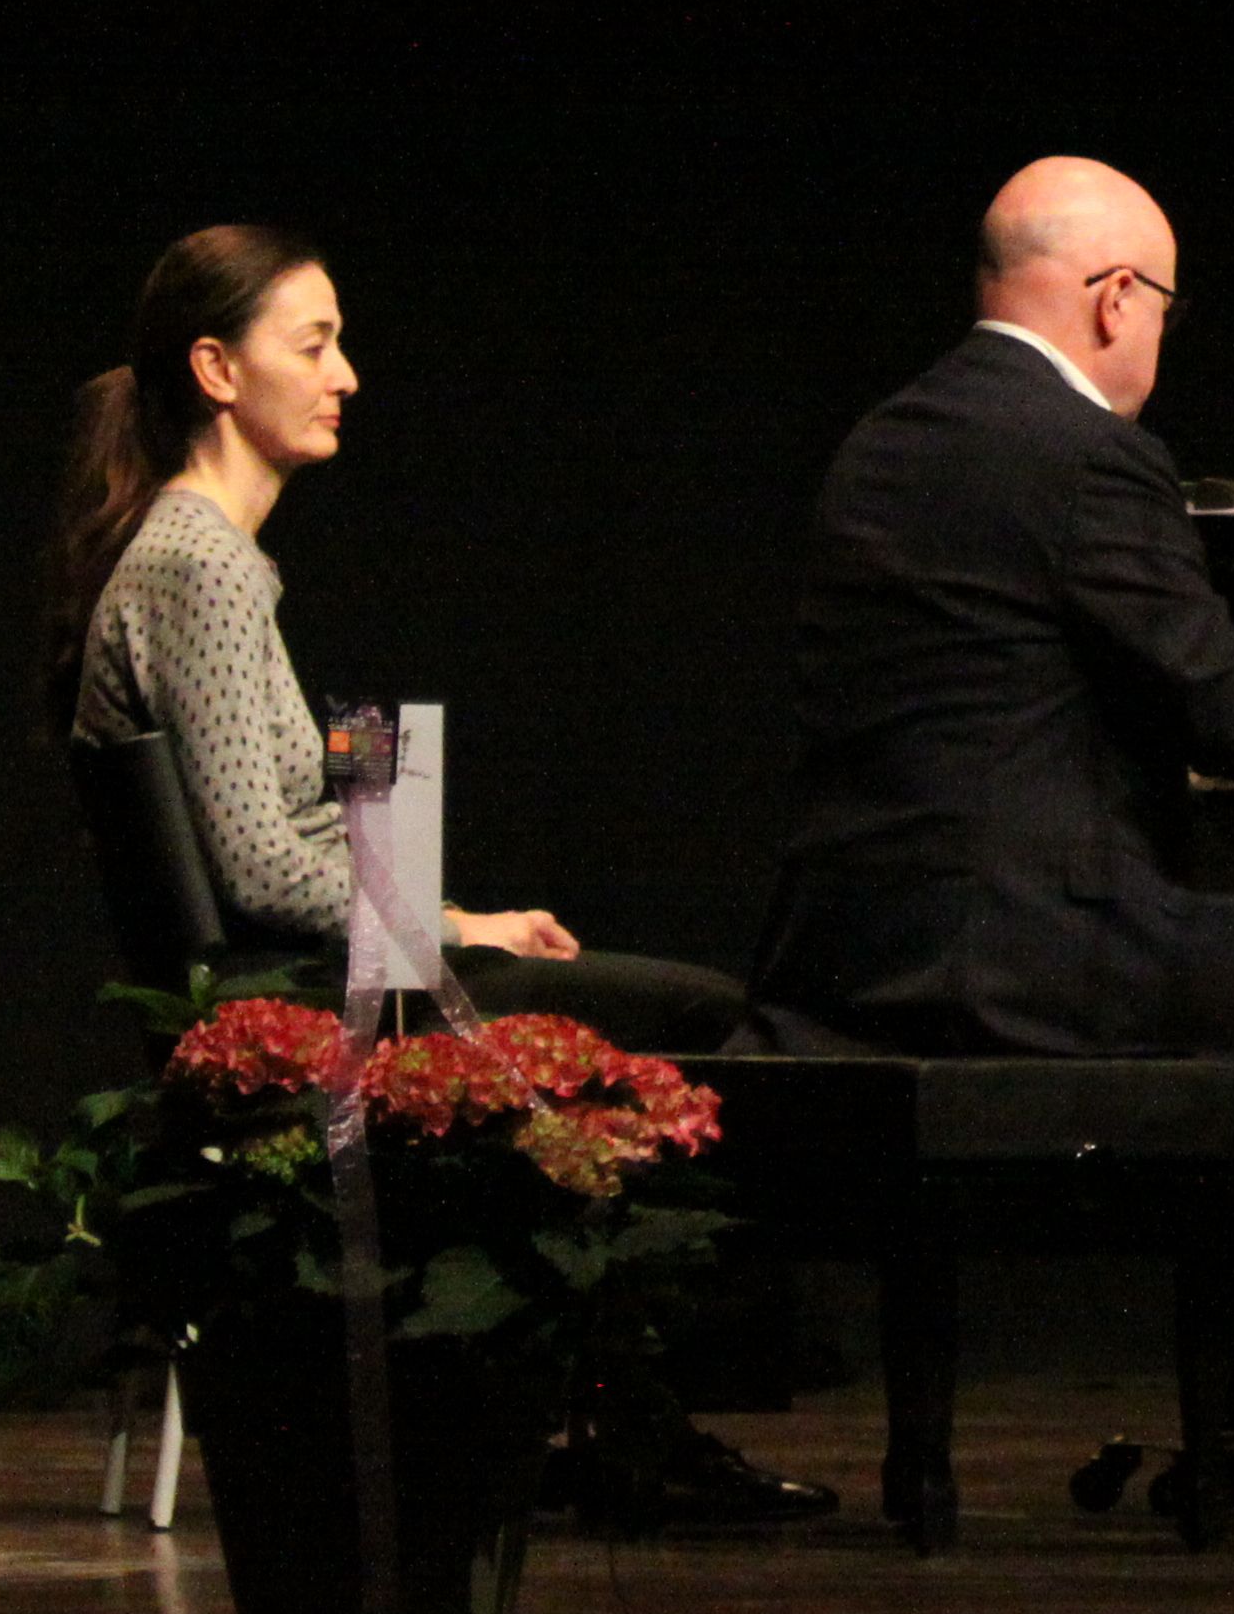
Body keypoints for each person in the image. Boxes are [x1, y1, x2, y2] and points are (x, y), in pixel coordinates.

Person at [747, 157, 1234, 1506]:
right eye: (1165, 306)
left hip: (856, 949)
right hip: (1028, 948)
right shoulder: (1088, 456)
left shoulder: (881, 440)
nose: (1160, 335)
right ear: (1116, 299)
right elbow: (1219, 699)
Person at [50, 222, 829, 1523]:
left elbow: (287, 834)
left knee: (604, 984)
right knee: (695, 1015)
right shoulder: (200, 568)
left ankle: (586, 1411)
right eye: (315, 342)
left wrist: (431, 881)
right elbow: (255, 869)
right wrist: (458, 918)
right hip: (304, 1002)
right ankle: (621, 1425)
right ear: (217, 369)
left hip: (324, 977)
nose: (347, 372)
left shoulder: (210, 562)